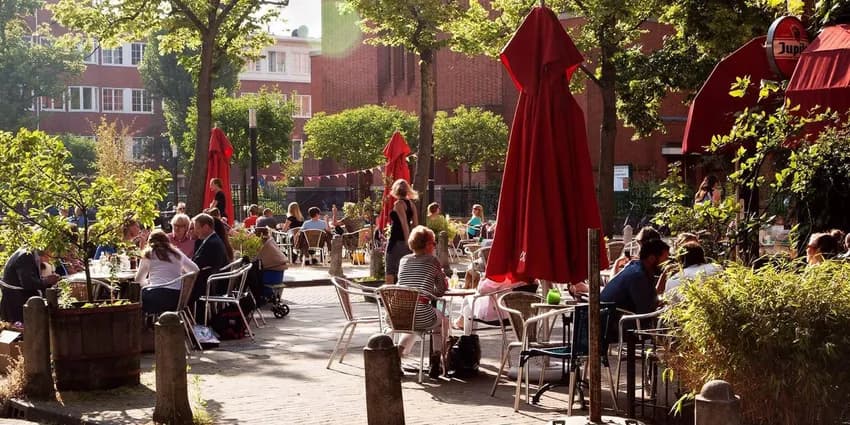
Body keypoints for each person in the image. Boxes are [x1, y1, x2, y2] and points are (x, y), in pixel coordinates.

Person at [396, 226, 448, 368]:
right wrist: (431, 295)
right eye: (434, 243)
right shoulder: (433, 261)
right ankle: (438, 355)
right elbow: (443, 288)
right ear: (427, 245)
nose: (435, 246)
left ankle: (398, 353)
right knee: (442, 317)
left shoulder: (403, 260)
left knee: (413, 319)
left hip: (398, 314)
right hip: (422, 314)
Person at [135, 230, 200, 314]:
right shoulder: (177, 253)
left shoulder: (148, 254)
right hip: (177, 298)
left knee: (136, 296)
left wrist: (148, 283)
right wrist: (182, 275)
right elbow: (195, 269)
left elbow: (138, 280)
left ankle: (145, 324)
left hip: (156, 297)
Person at [601, 238, 669, 316]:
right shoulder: (638, 276)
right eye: (665, 259)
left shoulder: (638, 268)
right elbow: (646, 312)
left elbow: (651, 299)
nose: (668, 263)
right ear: (651, 258)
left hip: (617, 317)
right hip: (612, 323)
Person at [1, 247, 60, 323]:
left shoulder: (28, 254)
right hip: (17, 305)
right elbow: (28, 283)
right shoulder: (26, 255)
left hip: (18, 302)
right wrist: (47, 281)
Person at [190, 213, 230, 305]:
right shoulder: (212, 240)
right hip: (212, 280)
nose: (195, 231)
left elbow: (197, 264)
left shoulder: (211, 243)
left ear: (206, 227)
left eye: (197, 228)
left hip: (210, 284)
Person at [385, 179, 418, 284]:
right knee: (405, 271)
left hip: (396, 241)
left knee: (390, 270)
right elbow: (416, 225)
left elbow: (404, 224)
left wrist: (407, 241)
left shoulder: (398, 204)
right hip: (406, 240)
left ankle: (388, 297)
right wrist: (414, 241)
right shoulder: (411, 204)